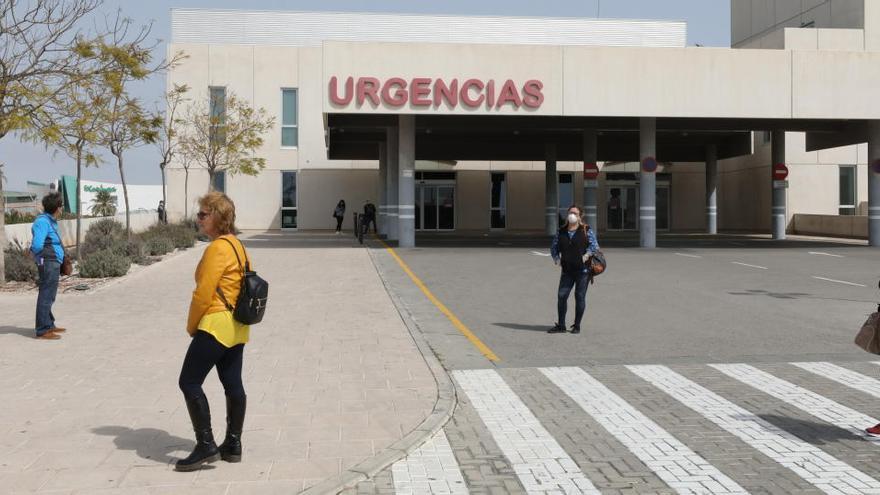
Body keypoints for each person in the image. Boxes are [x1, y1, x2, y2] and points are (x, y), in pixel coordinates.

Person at [176, 192, 251, 471]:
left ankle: (205, 444)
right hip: (237, 326)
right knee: (233, 384)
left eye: (203, 214)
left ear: (218, 218)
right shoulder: (238, 245)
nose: (198, 218)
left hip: (216, 324)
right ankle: (233, 444)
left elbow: (203, 294)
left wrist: (192, 326)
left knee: (189, 381)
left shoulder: (217, 248)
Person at [549, 204, 600, 334]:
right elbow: (553, 247)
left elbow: (594, 246)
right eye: (570, 212)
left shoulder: (586, 230)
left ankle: (576, 325)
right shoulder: (561, 231)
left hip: (583, 271)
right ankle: (561, 325)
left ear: (580, 216)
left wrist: (587, 255)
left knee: (580, 296)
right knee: (562, 296)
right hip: (567, 270)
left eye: (575, 213)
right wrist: (556, 259)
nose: (572, 215)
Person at [30, 193, 66, 340]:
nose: (62, 208)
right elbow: (37, 245)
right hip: (48, 262)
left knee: (50, 295)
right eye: (61, 206)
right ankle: (42, 330)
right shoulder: (42, 222)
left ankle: (49, 324)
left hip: (53, 261)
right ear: (57, 208)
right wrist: (40, 257)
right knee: (46, 294)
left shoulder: (49, 221)